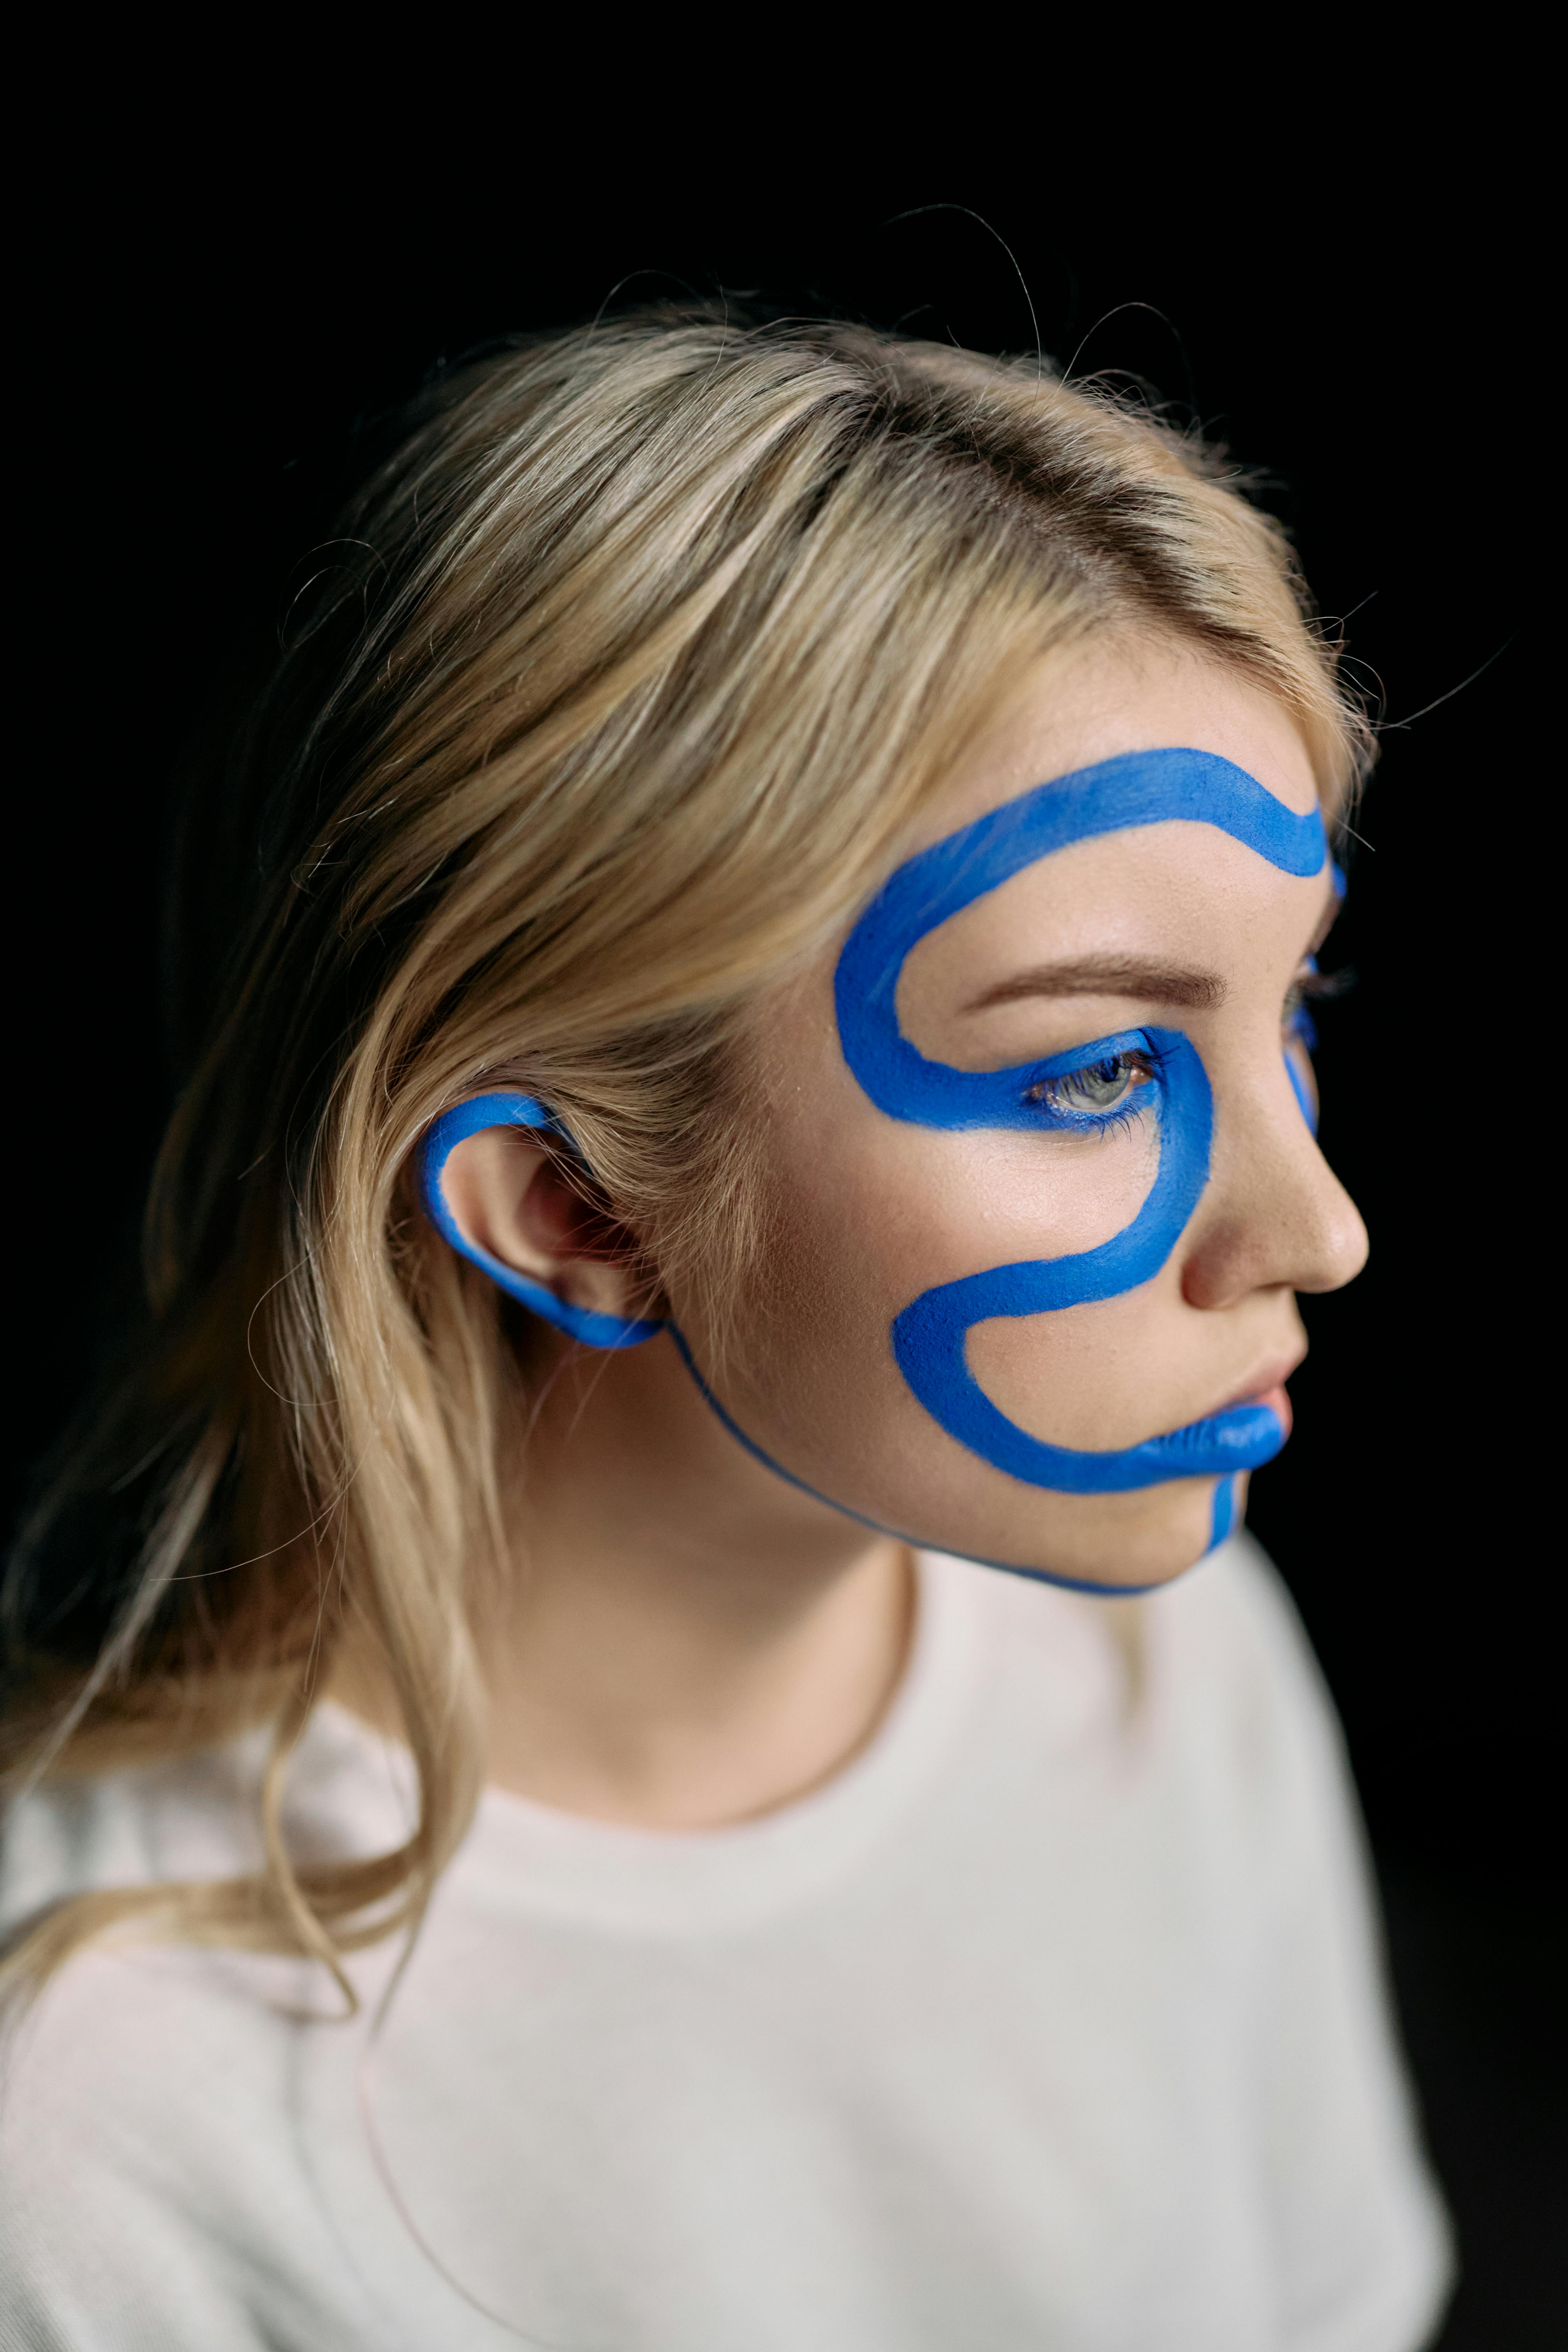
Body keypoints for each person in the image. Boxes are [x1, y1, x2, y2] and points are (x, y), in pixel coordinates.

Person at [0, 310, 1451, 2350]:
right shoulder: (95, 2132)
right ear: (575, 1208)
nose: (1320, 1228)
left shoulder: (1164, 1668)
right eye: (1095, 1069)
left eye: (1295, 999)